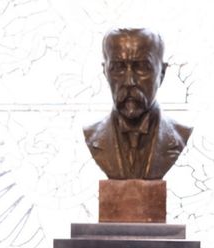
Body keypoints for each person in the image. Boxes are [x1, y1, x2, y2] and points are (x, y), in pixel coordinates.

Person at [82, 28, 192, 180]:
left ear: (162, 73)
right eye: (118, 68)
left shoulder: (180, 135)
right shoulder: (91, 136)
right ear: (105, 72)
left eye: (141, 67)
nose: (129, 81)